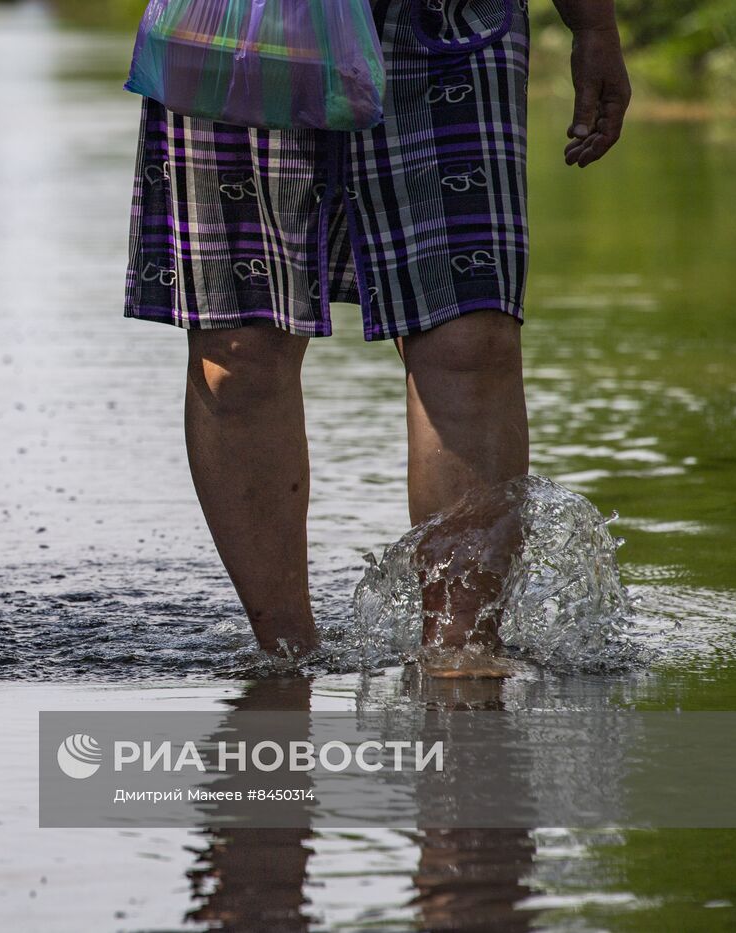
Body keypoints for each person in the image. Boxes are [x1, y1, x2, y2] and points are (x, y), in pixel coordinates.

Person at [123, 0, 630, 665]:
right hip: (240, 26)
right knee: (239, 351)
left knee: (470, 337)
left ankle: (461, 662)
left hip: (446, 22)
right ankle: (285, 663)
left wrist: (593, 24)